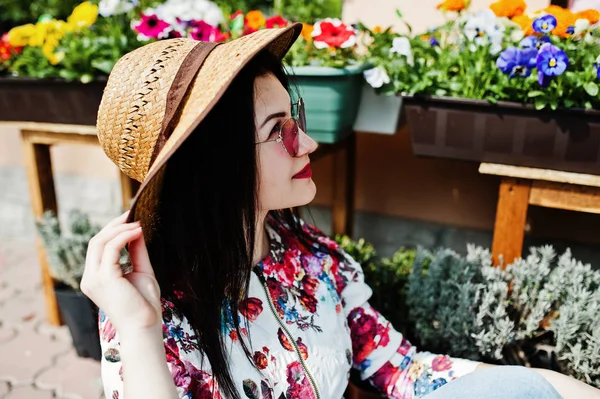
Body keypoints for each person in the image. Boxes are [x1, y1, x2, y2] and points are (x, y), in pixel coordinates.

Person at [82, 23, 600, 399]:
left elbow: (402, 370)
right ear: (214, 169)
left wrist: (550, 386)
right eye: (277, 131)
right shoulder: (151, 312)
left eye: (296, 118)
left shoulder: (313, 262)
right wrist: (139, 327)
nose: (306, 142)